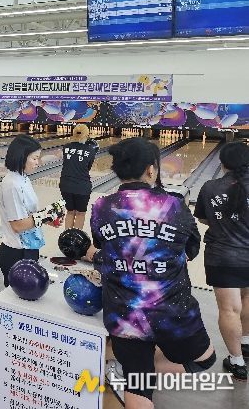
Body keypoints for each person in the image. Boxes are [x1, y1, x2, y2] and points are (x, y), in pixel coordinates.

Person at [91, 138, 215, 408]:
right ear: (151, 169)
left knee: (138, 381)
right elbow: (192, 249)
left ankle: (134, 371)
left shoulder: (101, 206)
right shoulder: (175, 206)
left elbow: (102, 246)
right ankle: (138, 370)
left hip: (124, 316)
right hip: (174, 312)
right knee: (205, 360)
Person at [194, 141, 249, 380]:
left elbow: (204, 219)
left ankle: (237, 361)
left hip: (222, 257)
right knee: (247, 299)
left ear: (222, 162)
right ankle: (246, 342)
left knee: (229, 309)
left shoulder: (210, 187)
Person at [0, 134, 65, 285]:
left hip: (28, 247)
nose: (37, 162)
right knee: (16, 297)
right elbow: (17, 225)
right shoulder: (12, 185)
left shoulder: (23, 178)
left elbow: (28, 214)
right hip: (16, 252)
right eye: (34, 158)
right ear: (22, 157)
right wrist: (44, 216)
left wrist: (48, 219)